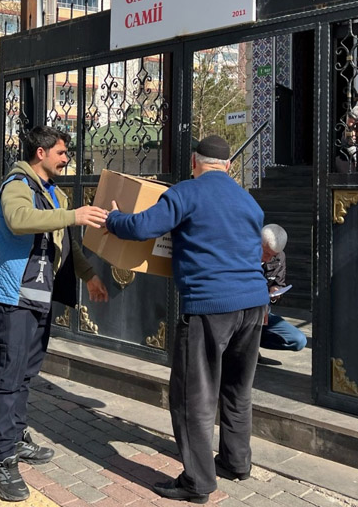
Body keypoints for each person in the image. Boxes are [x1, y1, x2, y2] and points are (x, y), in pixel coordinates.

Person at [105, 135, 269, 504]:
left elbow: (141, 227)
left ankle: (196, 483)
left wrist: (113, 218)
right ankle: (236, 462)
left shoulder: (186, 193)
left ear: (194, 162)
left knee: (193, 396)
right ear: (228, 166)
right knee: (237, 389)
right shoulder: (248, 201)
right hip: (254, 306)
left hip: (210, 305)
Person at [0, 126, 109, 502]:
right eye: (62, 153)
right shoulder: (17, 184)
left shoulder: (53, 192)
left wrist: (90, 277)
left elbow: (68, 242)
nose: (66, 159)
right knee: (8, 375)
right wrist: (72, 215)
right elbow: (19, 220)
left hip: (38, 297)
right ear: (41, 153)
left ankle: (16, 438)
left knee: (25, 373)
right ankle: (0, 460)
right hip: (13, 297)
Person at [259, 224, 307, 364]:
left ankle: (253, 343)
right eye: (266, 253)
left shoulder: (279, 257)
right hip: (241, 315)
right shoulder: (241, 254)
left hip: (264, 314)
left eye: (272, 255)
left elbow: (278, 283)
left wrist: (275, 291)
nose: (268, 259)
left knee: (298, 340)